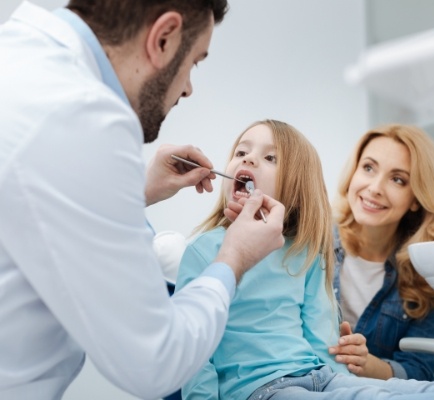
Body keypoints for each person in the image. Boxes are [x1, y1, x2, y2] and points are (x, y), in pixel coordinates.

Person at [0, 2, 285, 399]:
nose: (187, 87)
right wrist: (233, 259)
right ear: (163, 37)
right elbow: (155, 363)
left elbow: (31, 203)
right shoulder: (83, 118)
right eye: (195, 63)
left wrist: (139, 188)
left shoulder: (20, 59)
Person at [175, 120, 434, 400]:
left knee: (387, 393)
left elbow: (321, 340)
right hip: (262, 390)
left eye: (270, 157)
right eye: (241, 152)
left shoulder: (304, 251)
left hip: (318, 375)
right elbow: (192, 350)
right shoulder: (204, 251)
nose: (249, 159)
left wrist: (347, 383)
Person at [327, 124, 434, 381]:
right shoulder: (312, 244)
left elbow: (419, 370)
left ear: (416, 199)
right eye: (368, 168)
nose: (375, 188)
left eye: (397, 179)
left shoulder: (430, 275)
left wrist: (368, 365)